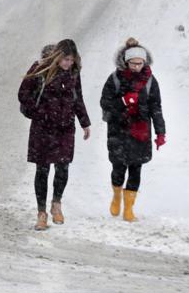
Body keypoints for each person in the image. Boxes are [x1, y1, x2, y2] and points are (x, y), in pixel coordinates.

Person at [18, 39, 91, 231]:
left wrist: (85, 122)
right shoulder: (40, 69)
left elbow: (78, 97)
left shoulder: (74, 72)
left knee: (63, 167)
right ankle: (41, 212)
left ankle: (56, 203)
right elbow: (23, 94)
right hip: (43, 128)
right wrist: (40, 113)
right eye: (65, 59)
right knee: (42, 170)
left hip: (65, 127)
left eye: (71, 60)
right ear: (58, 56)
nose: (68, 63)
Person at [100, 38, 167, 222]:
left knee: (136, 169)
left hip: (141, 131)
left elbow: (156, 108)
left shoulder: (151, 81)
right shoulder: (114, 79)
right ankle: (116, 196)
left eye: (140, 63)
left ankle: (129, 208)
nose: (137, 67)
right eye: (133, 63)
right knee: (118, 167)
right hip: (118, 130)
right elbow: (104, 103)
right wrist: (123, 101)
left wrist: (160, 132)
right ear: (126, 62)